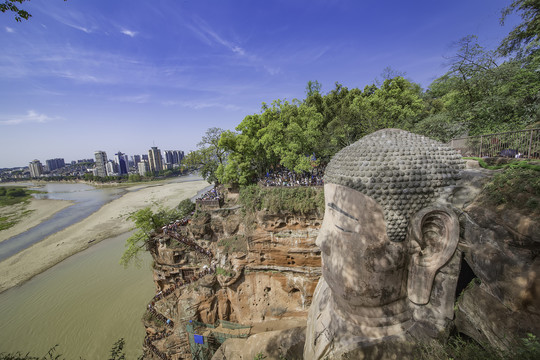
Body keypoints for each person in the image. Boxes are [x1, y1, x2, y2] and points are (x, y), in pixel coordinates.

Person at [304, 129, 463, 359]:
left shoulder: (404, 351)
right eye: (326, 216)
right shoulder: (324, 291)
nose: (320, 241)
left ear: (430, 245)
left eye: (341, 223)